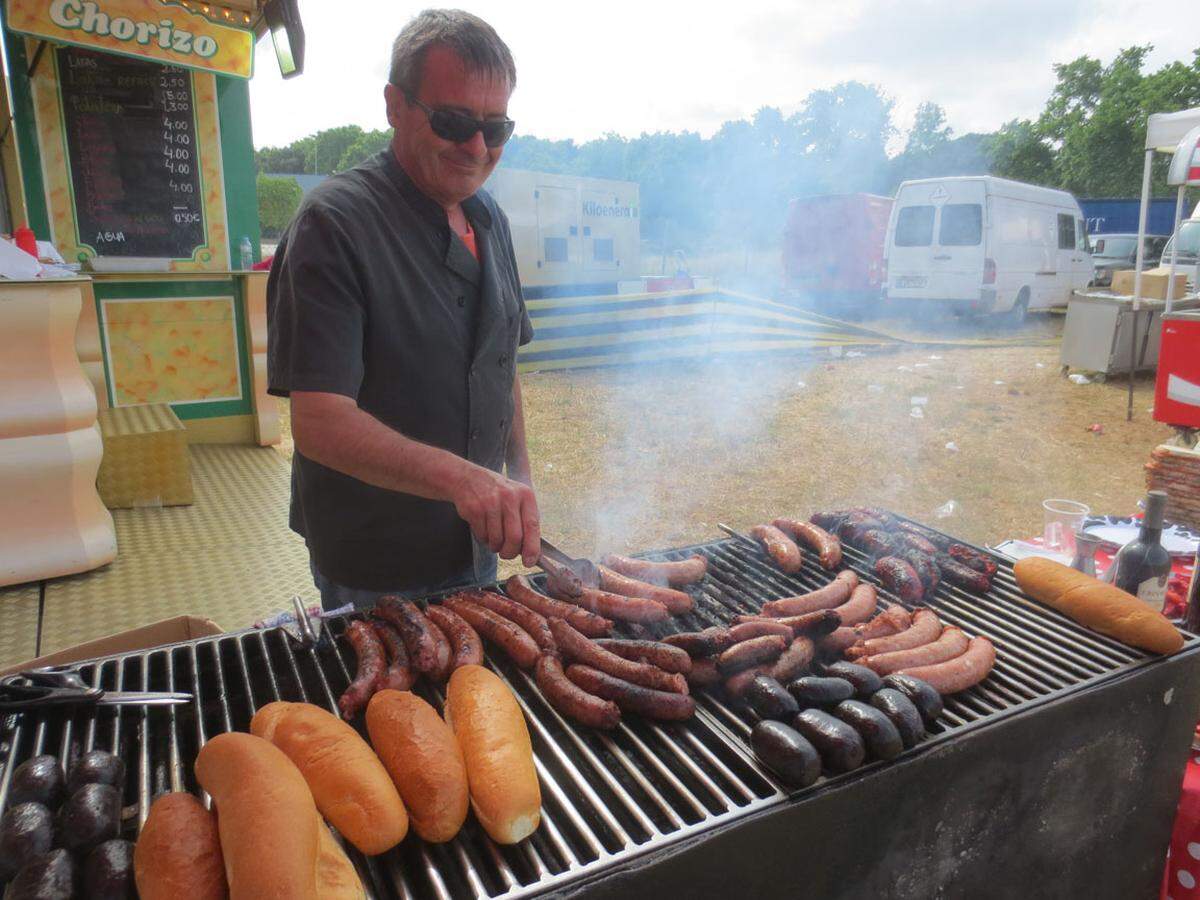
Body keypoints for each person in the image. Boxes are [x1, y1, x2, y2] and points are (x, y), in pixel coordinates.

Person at [267, 10, 540, 610]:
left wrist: (517, 476)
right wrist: (466, 479)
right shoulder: (334, 224)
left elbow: (501, 363)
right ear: (394, 106)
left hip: (473, 547)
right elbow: (319, 422)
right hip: (374, 561)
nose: (476, 147)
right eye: (453, 121)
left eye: (496, 129)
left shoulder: (491, 221)